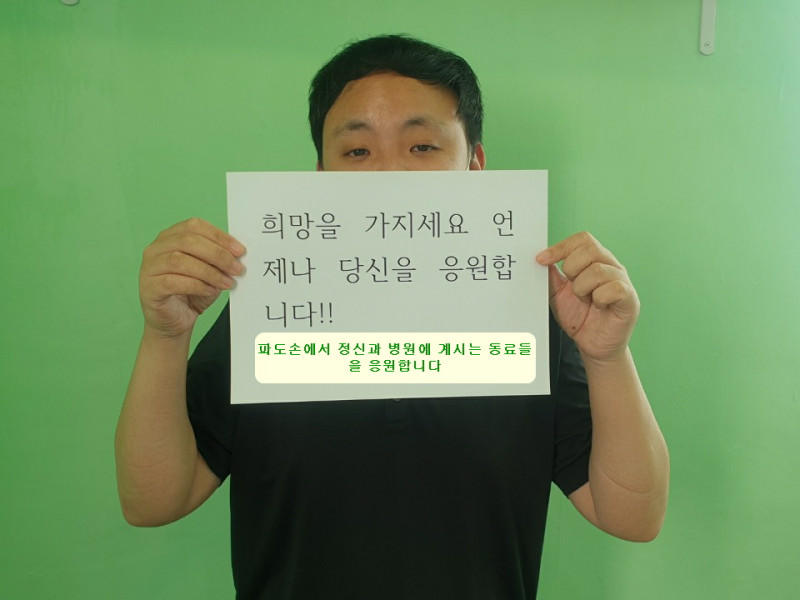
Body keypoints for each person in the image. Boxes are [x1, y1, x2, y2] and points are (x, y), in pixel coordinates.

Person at [115, 35, 669, 599]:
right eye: (357, 152)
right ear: (320, 174)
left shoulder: (528, 321)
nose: (388, 173)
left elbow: (633, 516)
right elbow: (152, 501)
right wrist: (165, 336)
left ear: (475, 165)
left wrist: (608, 357)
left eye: (422, 146)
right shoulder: (272, 314)